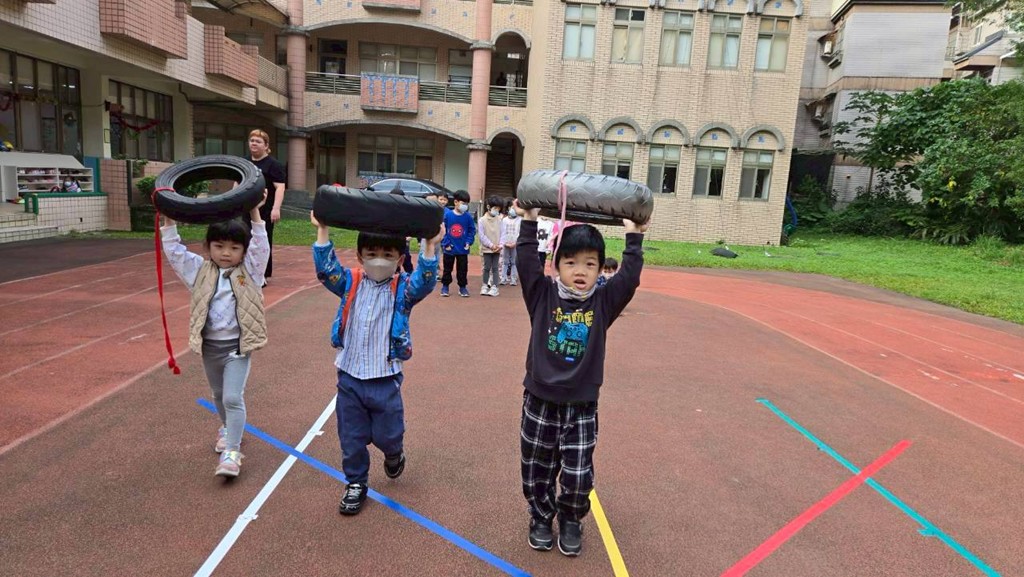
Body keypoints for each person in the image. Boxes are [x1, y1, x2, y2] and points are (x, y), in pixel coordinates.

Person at [514, 200, 648, 557]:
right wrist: (529, 220)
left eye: (590, 264)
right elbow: (526, 263)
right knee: (536, 468)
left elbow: (629, 279)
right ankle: (541, 516)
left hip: (582, 406)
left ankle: (571, 518)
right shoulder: (542, 295)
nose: (580, 270)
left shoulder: (603, 302)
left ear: (600, 269)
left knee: (577, 473)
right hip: (540, 401)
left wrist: (634, 237)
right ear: (556, 265)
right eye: (571, 262)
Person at [311, 212, 444, 516]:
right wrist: (323, 230)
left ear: (400, 259)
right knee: (351, 437)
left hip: (385, 379)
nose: (379, 261)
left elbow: (425, 282)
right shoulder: (350, 282)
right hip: (350, 377)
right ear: (360, 256)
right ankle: (356, 482)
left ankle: (394, 453)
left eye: (387, 255)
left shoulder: (403, 290)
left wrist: (429, 245)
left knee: (388, 435)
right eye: (371, 254)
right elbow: (326, 271)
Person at [161, 193, 270, 479]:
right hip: (210, 347)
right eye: (219, 246)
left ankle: (232, 452)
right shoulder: (199, 271)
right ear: (208, 247)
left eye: (234, 247)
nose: (226, 253)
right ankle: (226, 427)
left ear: (243, 251)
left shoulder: (250, 271)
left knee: (233, 396)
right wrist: (168, 217)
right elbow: (174, 252)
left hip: (238, 347)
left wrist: (255, 213)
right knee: (219, 395)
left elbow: (260, 247)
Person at [245, 129, 286, 287]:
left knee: (263, 240)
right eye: (252, 140)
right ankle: (246, 271)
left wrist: (276, 208)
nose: (254, 143)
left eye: (258, 141)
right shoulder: (245, 163)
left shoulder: (273, 165)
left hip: (265, 211)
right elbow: (238, 183)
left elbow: (280, 187)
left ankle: (261, 274)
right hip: (246, 209)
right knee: (245, 239)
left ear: (266, 145)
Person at [440, 189, 476, 298]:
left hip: (463, 249)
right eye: (463, 203)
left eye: (466, 204)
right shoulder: (448, 215)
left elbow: (472, 231)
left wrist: (468, 242)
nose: (465, 206)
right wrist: (446, 244)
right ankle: (445, 286)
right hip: (449, 248)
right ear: (456, 202)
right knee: (447, 269)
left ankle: (462, 287)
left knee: (462, 269)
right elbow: (443, 231)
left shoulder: (468, 217)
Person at [478, 196, 504, 296]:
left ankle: (495, 287)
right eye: (495, 208)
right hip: (487, 249)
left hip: (497, 248)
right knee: (486, 267)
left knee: (495, 268)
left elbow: (503, 233)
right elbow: (481, 235)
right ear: (488, 207)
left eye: (498, 209)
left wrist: (500, 245)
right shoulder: (482, 220)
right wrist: (491, 245)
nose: (497, 210)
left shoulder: (500, 220)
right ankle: (485, 285)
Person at [499, 198, 521, 286]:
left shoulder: (520, 220)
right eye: (512, 207)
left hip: (515, 244)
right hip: (506, 244)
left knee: (514, 262)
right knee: (505, 262)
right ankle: (503, 278)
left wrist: (515, 243)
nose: (513, 209)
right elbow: (502, 232)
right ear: (508, 208)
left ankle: (513, 279)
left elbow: (519, 233)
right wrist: (504, 242)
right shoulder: (504, 220)